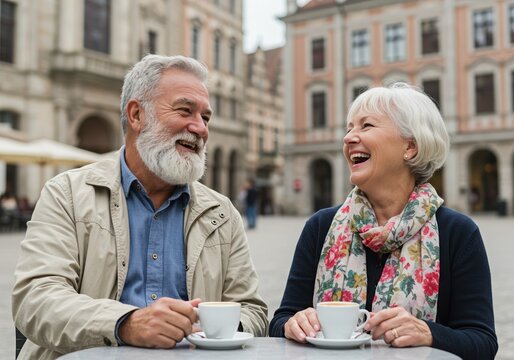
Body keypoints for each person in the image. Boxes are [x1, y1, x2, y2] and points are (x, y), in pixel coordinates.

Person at [12, 54, 268, 360]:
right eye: (185, 110)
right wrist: (125, 323)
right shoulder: (66, 194)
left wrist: (211, 327)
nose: (200, 128)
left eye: (206, 117)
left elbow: (253, 311)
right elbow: (35, 300)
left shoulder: (222, 213)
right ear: (136, 115)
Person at [269, 83, 497, 360]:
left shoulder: (458, 233)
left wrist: (429, 333)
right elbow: (281, 320)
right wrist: (293, 324)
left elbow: (482, 342)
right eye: (349, 128)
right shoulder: (321, 226)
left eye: (366, 126)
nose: (349, 137)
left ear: (410, 147)